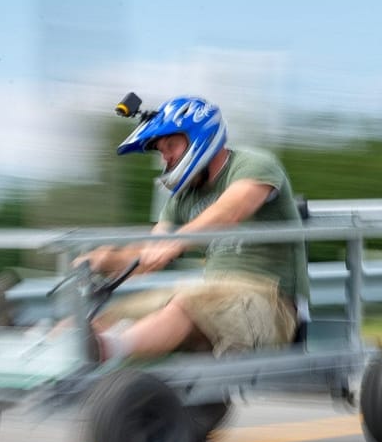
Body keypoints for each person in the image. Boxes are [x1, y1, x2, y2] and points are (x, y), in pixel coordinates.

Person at [77, 95, 310, 361]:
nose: (166, 157)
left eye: (171, 145)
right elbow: (149, 255)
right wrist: (104, 260)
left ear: (198, 136)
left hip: (273, 306)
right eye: (161, 150)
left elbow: (229, 212)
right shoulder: (182, 198)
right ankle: (48, 351)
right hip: (211, 295)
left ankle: (107, 350)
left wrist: (177, 242)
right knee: (107, 318)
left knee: (188, 302)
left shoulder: (254, 164)